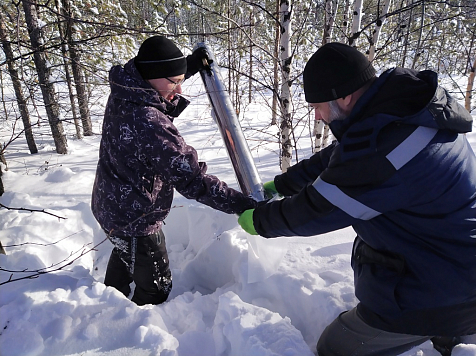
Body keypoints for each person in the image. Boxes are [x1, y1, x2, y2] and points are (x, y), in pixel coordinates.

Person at [238, 42, 476, 356]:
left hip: (442, 290)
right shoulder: (405, 114)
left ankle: (443, 327)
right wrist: (282, 183)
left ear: (345, 96)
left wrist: (258, 221)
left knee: (335, 347)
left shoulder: (385, 152)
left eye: (319, 105)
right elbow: (340, 157)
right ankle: (449, 334)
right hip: (451, 263)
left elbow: (317, 210)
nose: (319, 116)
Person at [91, 35, 257, 306]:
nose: (178, 91)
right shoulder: (148, 122)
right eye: (175, 82)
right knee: (157, 287)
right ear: (154, 76)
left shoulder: (126, 87)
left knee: (126, 252)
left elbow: (159, 76)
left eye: (181, 79)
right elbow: (191, 179)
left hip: (111, 203)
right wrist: (242, 203)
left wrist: (186, 67)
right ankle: (129, 325)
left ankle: (110, 297)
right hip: (135, 218)